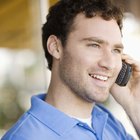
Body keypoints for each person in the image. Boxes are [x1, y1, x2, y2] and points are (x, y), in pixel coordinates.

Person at [2, 0, 140, 139]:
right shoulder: (26, 136)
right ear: (55, 47)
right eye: (94, 45)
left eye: (116, 50)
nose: (109, 63)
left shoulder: (107, 122)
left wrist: (134, 106)